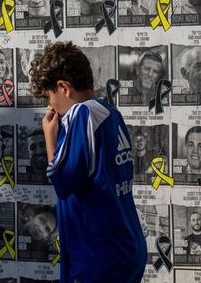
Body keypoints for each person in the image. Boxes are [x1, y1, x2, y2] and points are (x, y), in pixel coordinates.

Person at [32, 41, 147, 282]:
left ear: (63, 87)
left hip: (101, 259)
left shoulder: (82, 114)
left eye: (50, 98)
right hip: (122, 251)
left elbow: (62, 181)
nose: (50, 108)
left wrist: (49, 137)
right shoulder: (109, 113)